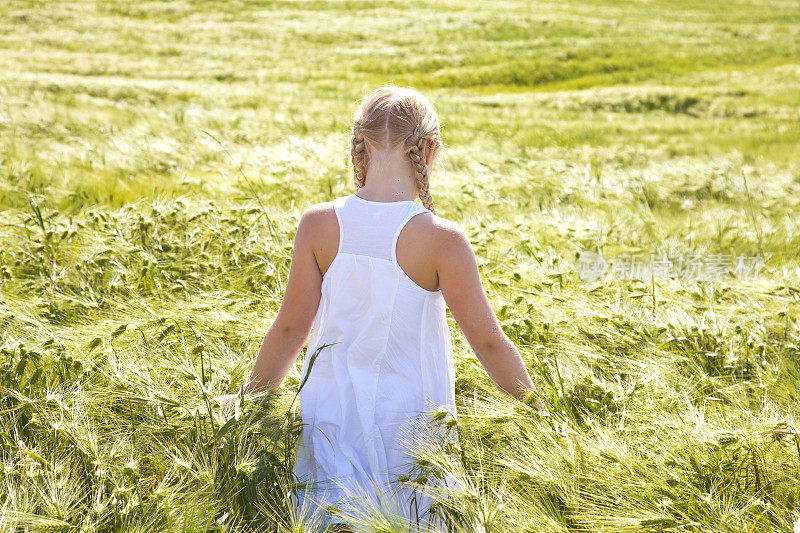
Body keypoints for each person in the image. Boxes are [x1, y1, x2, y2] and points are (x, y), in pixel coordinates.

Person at [215, 85, 547, 530]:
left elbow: (291, 329)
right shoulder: (443, 240)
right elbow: (488, 342)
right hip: (411, 436)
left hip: (328, 425)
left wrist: (249, 404)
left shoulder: (318, 224)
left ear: (359, 146)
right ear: (429, 151)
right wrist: (540, 414)